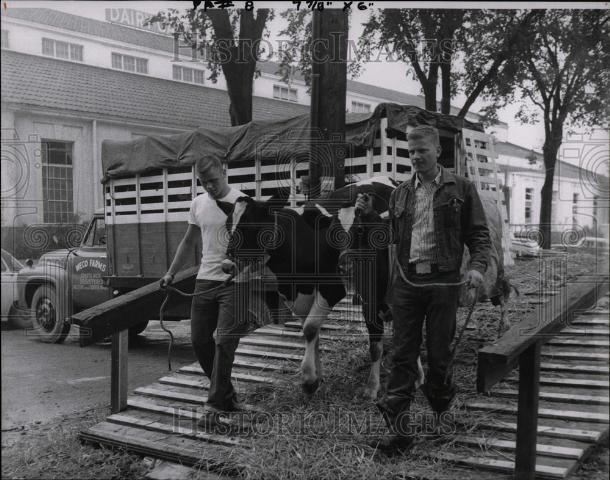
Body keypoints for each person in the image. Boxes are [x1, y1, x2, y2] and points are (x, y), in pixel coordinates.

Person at [358, 125, 491, 454]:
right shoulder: (401, 193)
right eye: (411, 152)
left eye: (422, 151)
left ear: (437, 152)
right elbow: (392, 235)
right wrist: (370, 216)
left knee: (439, 357)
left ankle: (442, 418)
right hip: (407, 283)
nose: (415, 157)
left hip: (443, 284)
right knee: (402, 357)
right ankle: (400, 435)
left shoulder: (461, 189)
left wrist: (476, 268)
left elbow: (479, 235)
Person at [160, 156, 248, 429]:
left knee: (224, 341)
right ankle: (226, 394)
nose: (210, 186)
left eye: (214, 180)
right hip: (204, 280)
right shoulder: (198, 204)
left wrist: (240, 266)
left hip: (235, 283)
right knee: (199, 340)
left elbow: (255, 245)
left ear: (224, 172)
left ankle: (212, 405)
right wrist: (171, 273)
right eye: (204, 182)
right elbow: (189, 241)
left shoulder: (242, 202)